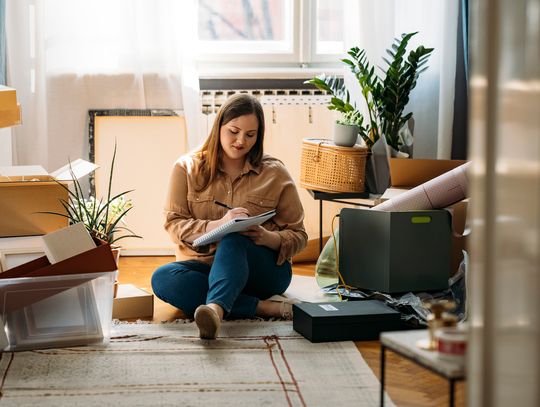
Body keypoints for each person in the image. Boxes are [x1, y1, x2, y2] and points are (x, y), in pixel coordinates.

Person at [151, 93, 308, 339]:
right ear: (219, 127)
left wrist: (268, 238)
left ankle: (215, 309)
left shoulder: (275, 173)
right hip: (204, 268)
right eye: (233, 131)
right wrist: (219, 224)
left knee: (234, 239)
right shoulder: (186, 168)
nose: (240, 141)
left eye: (250, 135)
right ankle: (263, 307)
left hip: (262, 272)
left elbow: (299, 235)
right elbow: (173, 224)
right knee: (162, 279)